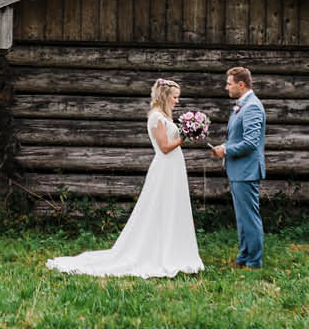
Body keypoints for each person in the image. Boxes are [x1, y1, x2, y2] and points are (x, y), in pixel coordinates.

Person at [46, 77, 204, 279]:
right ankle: (158, 252)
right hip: (165, 168)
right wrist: (185, 136)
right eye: (175, 97)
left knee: (173, 207)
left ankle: (174, 249)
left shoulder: (163, 116)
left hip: (173, 168)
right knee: (160, 208)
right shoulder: (156, 117)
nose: (177, 101)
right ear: (165, 96)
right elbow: (164, 147)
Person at [210, 65, 267, 269]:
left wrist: (225, 150)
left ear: (241, 85)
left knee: (249, 218)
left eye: (229, 84)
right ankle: (244, 257)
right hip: (238, 170)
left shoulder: (251, 106)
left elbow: (251, 142)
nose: (227, 88)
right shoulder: (242, 105)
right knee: (242, 218)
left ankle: (254, 261)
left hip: (246, 170)